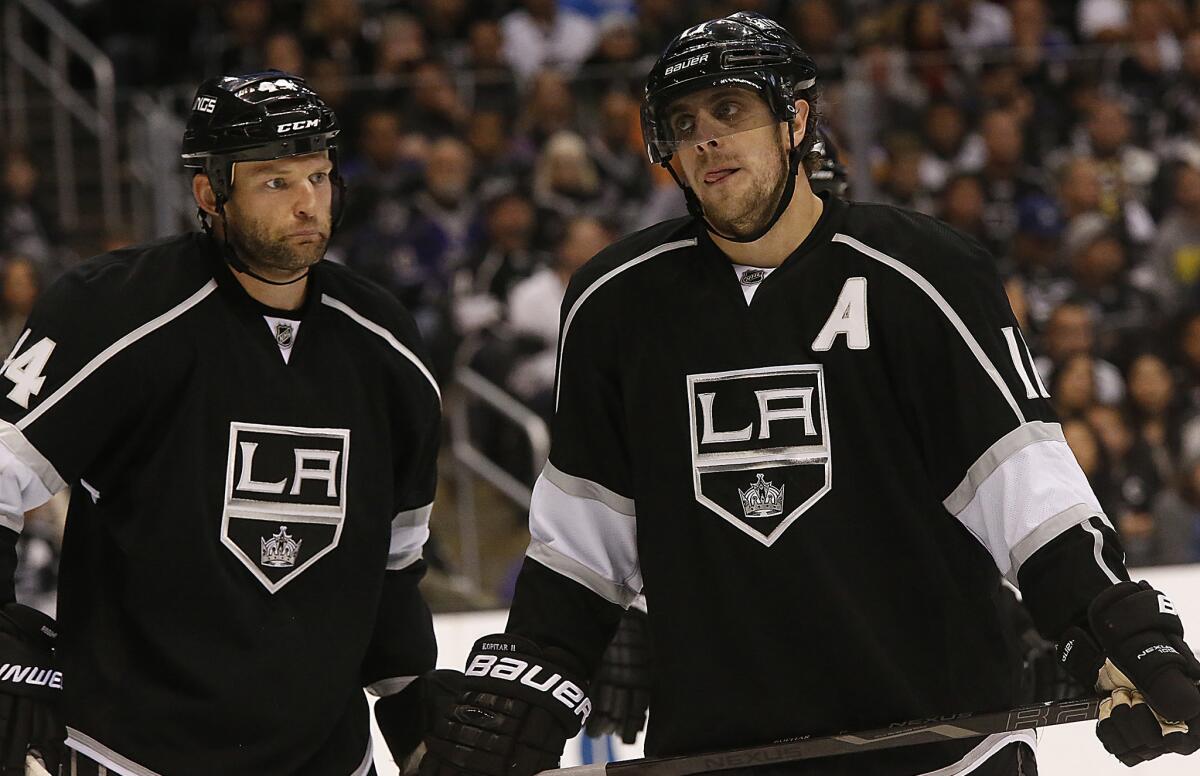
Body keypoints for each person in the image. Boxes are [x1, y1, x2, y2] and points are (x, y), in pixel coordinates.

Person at [421, 12, 1200, 776]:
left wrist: (1117, 633)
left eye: (730, 109)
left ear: (795, 119)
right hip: (717, 753)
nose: (705, 139)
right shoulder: (615, 305)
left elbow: (1028, 494)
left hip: (943, 748)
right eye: (684, 121)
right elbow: (581, 543)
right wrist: (530, 676)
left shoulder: (926, 275)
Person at [0, 71, 440, 776]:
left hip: (327, 757)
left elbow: (392, 564)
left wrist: (418, 722)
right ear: (211, 193)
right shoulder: (112, 310)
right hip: (131, 751)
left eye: (319, 176)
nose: (308, 203)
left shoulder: (384, 343)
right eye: (275, 181)